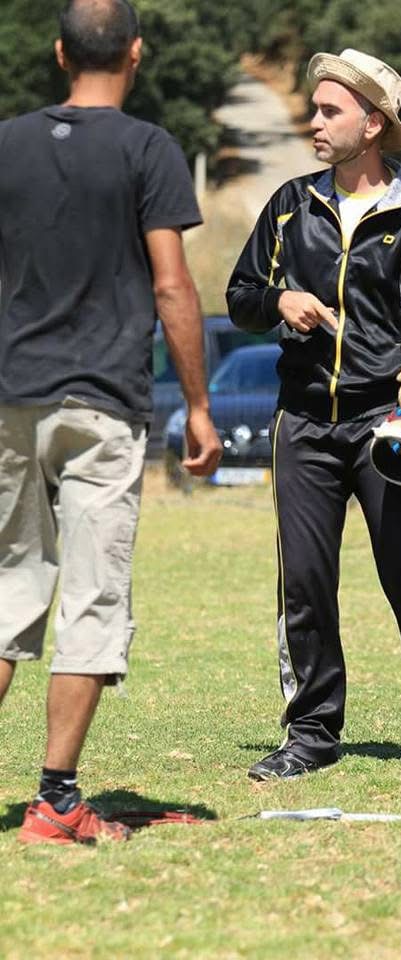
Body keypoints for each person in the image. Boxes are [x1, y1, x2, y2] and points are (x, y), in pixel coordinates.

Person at [0, 0, 222, 844]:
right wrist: (198, 405)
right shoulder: (147, 149)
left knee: (5, 588)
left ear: (59, 53)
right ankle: (57, 801)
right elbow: (171, 285)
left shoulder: (7, 143)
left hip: (10, 396)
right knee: (92, 597)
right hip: (100, 403)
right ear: (136, 51)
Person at [226, 48, 401, 781]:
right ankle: (310, 733)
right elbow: (240, 295)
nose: (314, 121)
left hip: (387, 427)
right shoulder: (287, 206)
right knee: (304, 581)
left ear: (373, 125)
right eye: (316, 109)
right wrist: (279, 301)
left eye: (329, 111)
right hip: (301, 423)